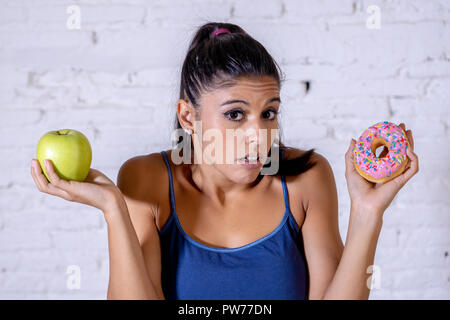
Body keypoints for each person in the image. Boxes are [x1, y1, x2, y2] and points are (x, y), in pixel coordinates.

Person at [30, 22, 419, 300]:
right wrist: (114, 209)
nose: (259, 135)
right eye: (236, 114)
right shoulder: (145, 179)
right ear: (188, 117)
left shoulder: (306, 179)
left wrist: (368, 214)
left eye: (269, 113)